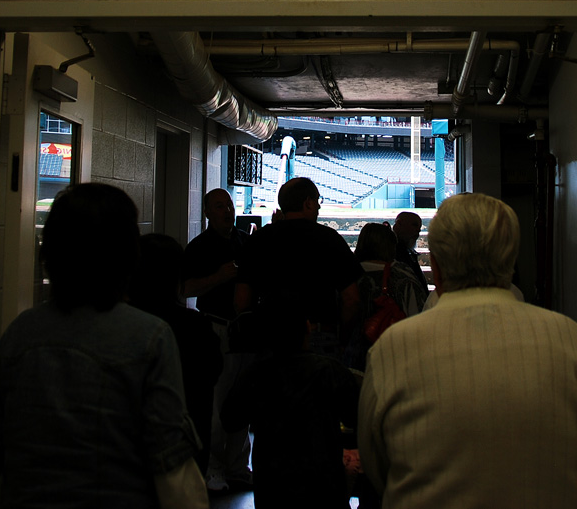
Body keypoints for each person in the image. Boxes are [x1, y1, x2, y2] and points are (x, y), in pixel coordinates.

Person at [359, 193, 577, 509]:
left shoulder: (393, 349)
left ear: (435, 265)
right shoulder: (570, 339)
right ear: (510, 259)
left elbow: (377, 468)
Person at [0, 182, 206, 509]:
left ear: (50, 252)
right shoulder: (148, 337)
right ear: (126, 255)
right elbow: (173, 473)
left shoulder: (19, 335)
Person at [221, 296, 359, 509]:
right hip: (324, 486)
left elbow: (230, 419)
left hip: (272, 487)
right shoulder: (331, 371)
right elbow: (355, 418)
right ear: (308, 328)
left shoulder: (255, 375)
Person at [234, 178, 363, 360]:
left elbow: (241, 301)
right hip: (319, 338)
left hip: (269, 337)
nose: (318, 207)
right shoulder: (330, 239)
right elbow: (352, 300)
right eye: (317, 201)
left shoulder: (257, 240)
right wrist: (342, 339)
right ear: (308, 203)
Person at [128, 233, 223, 478]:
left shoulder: (120, 328)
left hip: (132, 461)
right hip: (187, 456)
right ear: (176, 277)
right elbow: (212, 374)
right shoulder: (196, 327)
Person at [182, 188, 255, 492]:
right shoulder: (198, 247)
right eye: (219, 206)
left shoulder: (246, 242)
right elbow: (185, 288)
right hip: (216, 329)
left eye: (229, 205)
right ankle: (212, 468)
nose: (227, 210)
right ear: (208, 213)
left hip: (246, 330)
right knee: (216, 403)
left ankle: (238, 466)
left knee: (242, 404)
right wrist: (219, 277)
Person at [343, 223, 425, 371]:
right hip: (394, 357)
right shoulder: (403, 276)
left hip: (353, 357)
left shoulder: (346, 273)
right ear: (391, 245)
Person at [390, 212, 428, 307]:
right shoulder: (392, 252)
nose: (418, 230)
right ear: (399, 224)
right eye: (414, 225)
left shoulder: (409, 253)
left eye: (419, 227)